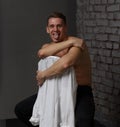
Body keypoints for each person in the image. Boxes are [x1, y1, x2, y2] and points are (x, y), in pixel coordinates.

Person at [15, 12, 95, 127]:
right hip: (57, 91)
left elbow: (66, 63)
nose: (55, 29)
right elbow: (41, 52)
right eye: (52, 26)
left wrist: (43, 75)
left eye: (59, 26)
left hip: (81, 92)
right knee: (21, 109)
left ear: (65, 27)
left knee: (82, 123)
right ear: (47, 29)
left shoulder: (77, 46)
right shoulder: (67, 43)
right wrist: (71, 42)